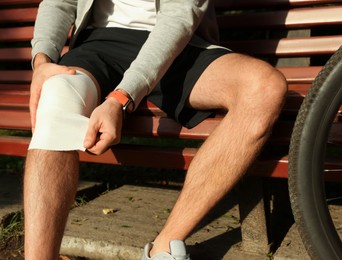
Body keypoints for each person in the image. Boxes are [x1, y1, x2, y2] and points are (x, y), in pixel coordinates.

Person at [24, 0, 288, 259]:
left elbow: (179, 16)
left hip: (177, 44)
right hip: (97, 44)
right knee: (56, 97)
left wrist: (121, 97)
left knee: (264, 89)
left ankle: (164, 247)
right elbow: (59, 2)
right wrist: (42, 61)